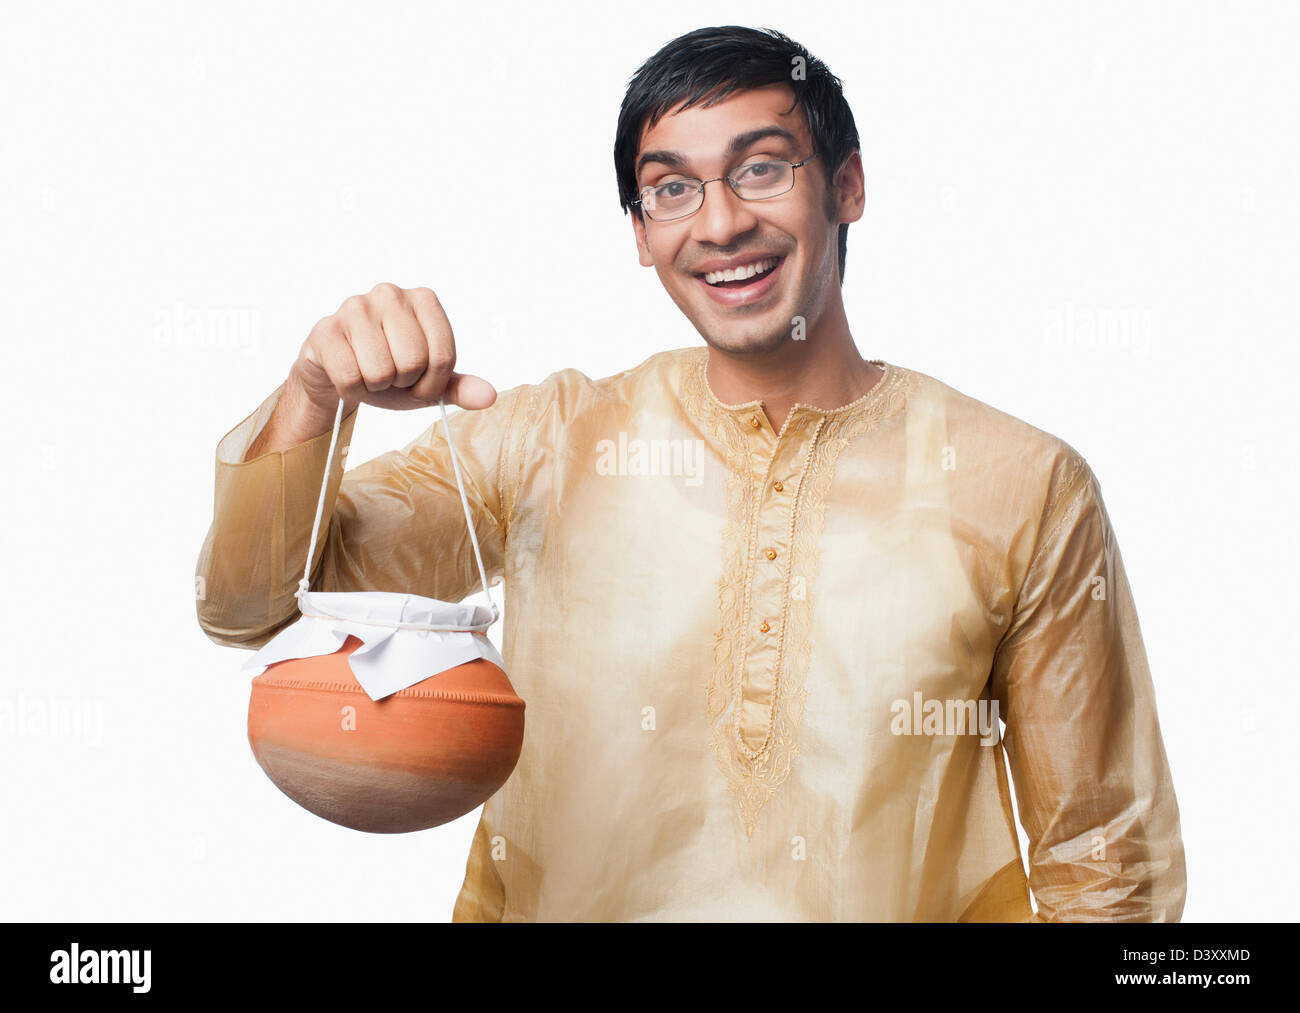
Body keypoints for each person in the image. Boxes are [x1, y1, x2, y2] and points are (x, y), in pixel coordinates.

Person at [196, 25, 1186, 921]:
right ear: (640, 232)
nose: (718, 223)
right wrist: (313, 396)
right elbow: (255, 609)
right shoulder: (544, 439)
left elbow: (1106, 870)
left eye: (762, 169)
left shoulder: (1023, 483)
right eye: (671, 187)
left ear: (846, 185)